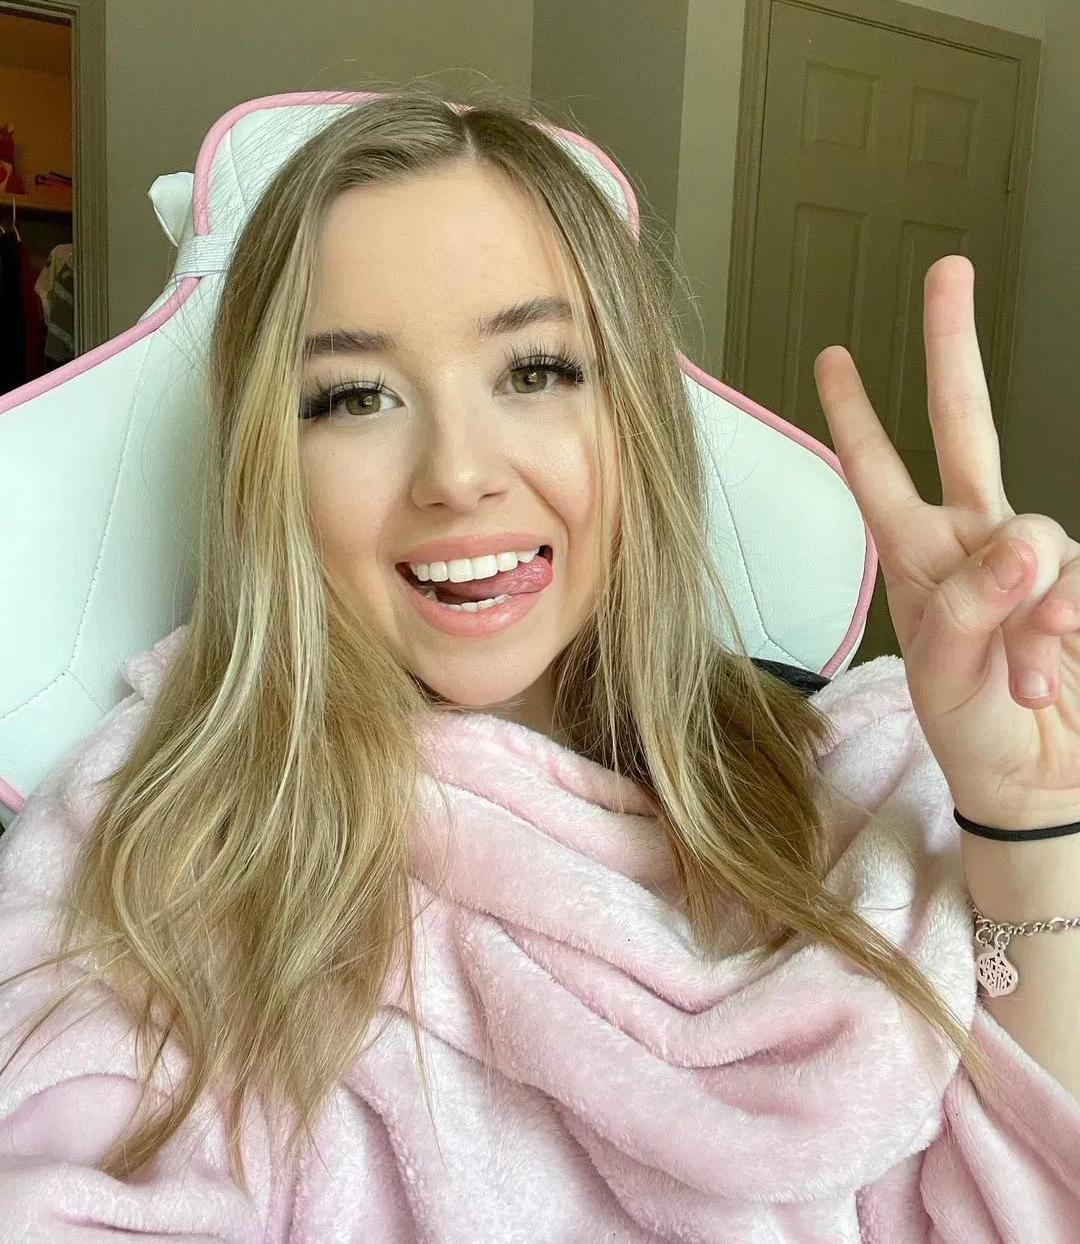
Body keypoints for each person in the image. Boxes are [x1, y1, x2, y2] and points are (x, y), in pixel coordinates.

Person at [0, 89, 1078, 1241]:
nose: (458, 474)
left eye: (535, 371)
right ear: (273, 465)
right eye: (355, 395)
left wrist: (1025, 815)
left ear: (635, 420)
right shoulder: (159, 839)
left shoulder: (850, 770)